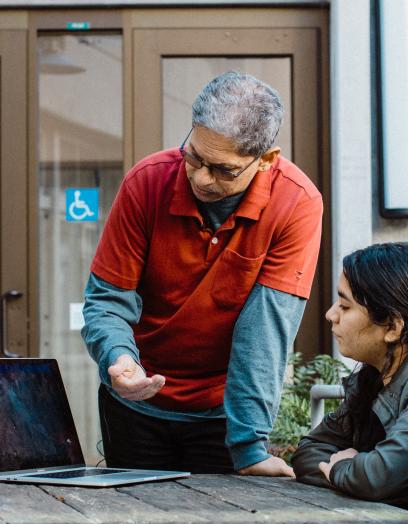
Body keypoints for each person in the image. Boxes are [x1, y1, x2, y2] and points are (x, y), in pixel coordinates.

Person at [81, 71, 323, 476]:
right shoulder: (146, 182)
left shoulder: (296, 203)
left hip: (223, 413)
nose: (201, 178)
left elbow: (264, 329)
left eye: (223, 169)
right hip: (135, 401)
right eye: (194, 156)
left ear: (266, 159)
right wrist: (120, 359)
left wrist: (249, 447)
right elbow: (108, 300)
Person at [291, 242, 408, 506]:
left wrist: (344, 468)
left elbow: (379, 477)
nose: (331, 314)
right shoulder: (374, 376)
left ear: (392, 327)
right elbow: (307, 452)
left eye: (345, 306)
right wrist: (351, 474)